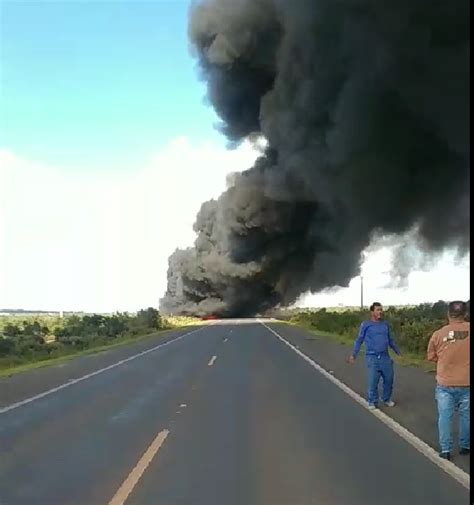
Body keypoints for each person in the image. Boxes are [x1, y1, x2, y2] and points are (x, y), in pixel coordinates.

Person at [427, 300, 470, 460]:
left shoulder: (438, 334)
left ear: (448, 314)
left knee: (445, 417)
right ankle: (465, 446)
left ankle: (445, 450)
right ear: (465, 314)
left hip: (445, 383)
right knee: (467, 416)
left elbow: (430, 356)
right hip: (467, 382)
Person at [348, 302, 401, 409]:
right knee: (373, 381)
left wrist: (398, 352)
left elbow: (390, 340)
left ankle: (386, 398)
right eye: (377, 310)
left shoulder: (385, 324)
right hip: (372, 357)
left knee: (389, 379)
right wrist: (354, 354)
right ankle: (372, 401)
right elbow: (359, 340)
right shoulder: (366, 325)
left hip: (385, 356)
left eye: (381, 310)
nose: (380, 312)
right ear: (372, 312)